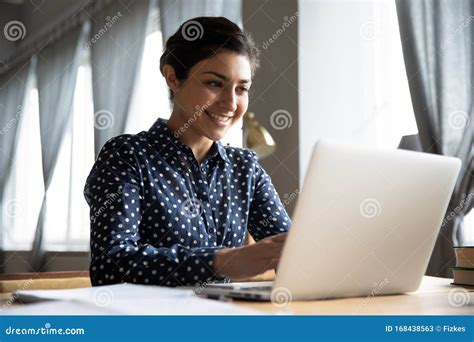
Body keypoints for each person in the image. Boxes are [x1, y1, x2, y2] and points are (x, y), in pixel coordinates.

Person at [84, 16, 291, 287]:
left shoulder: (245, 167)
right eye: (214, 83)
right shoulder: (127, 156)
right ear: (173, 78)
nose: (230, 103)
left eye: (241, 88)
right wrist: (221, 261)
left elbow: (289, 251)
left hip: (224, 318)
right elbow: (109, 265)